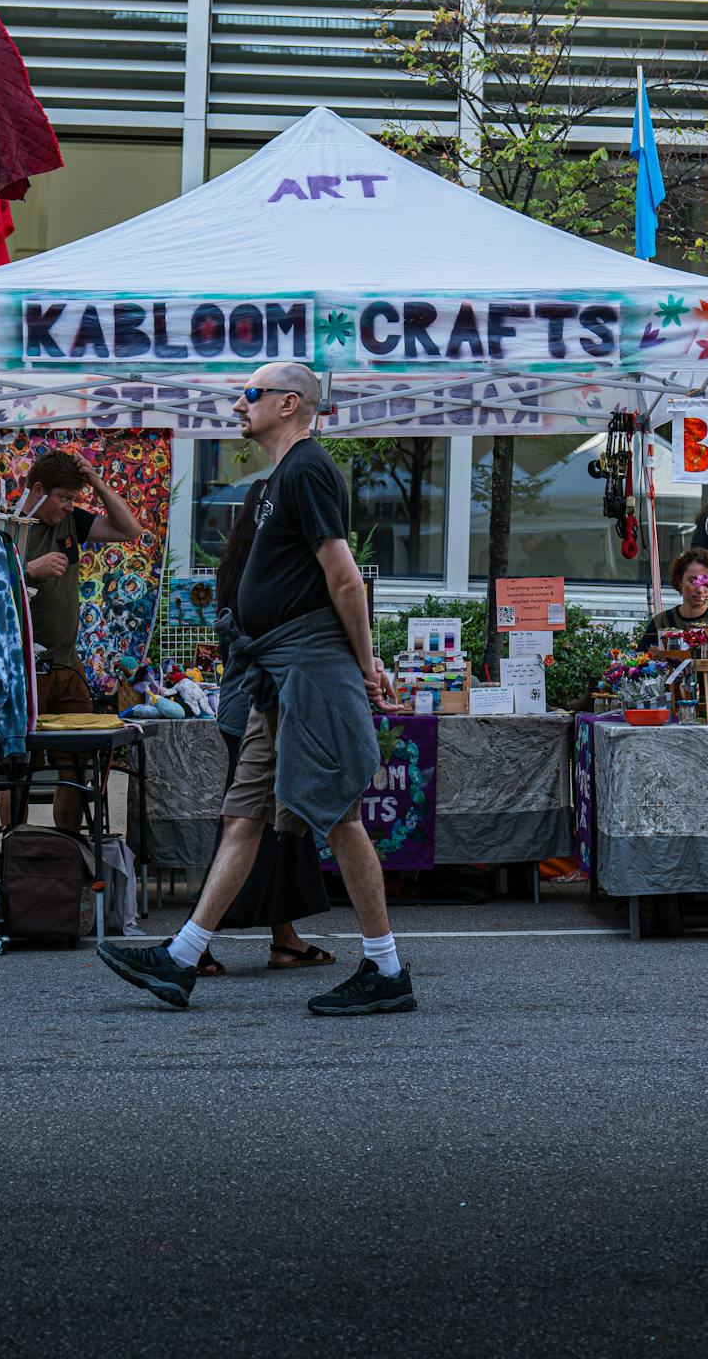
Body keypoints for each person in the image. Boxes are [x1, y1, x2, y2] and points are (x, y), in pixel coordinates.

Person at [98, 361, 416, 1017]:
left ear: (289, 403)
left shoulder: (308, 469)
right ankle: (181, 959)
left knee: (340, 815)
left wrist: (364, 664)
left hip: (311, 666)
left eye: (251, 393)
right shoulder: (279, 479)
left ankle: (386, 969)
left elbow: (345, 579)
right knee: (245, 814)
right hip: (275, 674)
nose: (239, 403)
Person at [192, 479, 334, 976]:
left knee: (277, 826)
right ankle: (198, 939)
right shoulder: (272, 573)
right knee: (250, 825)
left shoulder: (240, 567)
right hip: (263, 706)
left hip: (246, 705)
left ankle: (284, 937)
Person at [5, 449, 141, 832]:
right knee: (16, 765)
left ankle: (67, 847)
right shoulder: (7, 528)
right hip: (21, 667)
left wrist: (97, 483)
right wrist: (28, 570)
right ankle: (14, 851)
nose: (69, 506)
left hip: (67, 661)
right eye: (63, 497)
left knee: (77, 762)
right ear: (38, 490)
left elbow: (129, 530)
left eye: (73, 498)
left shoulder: (71, 524)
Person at [637, 547, 708, 650]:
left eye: (706, 582)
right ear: (679, 581)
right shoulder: (662, 622)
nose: (700, 590)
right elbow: (641, 658)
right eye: (693, 581)